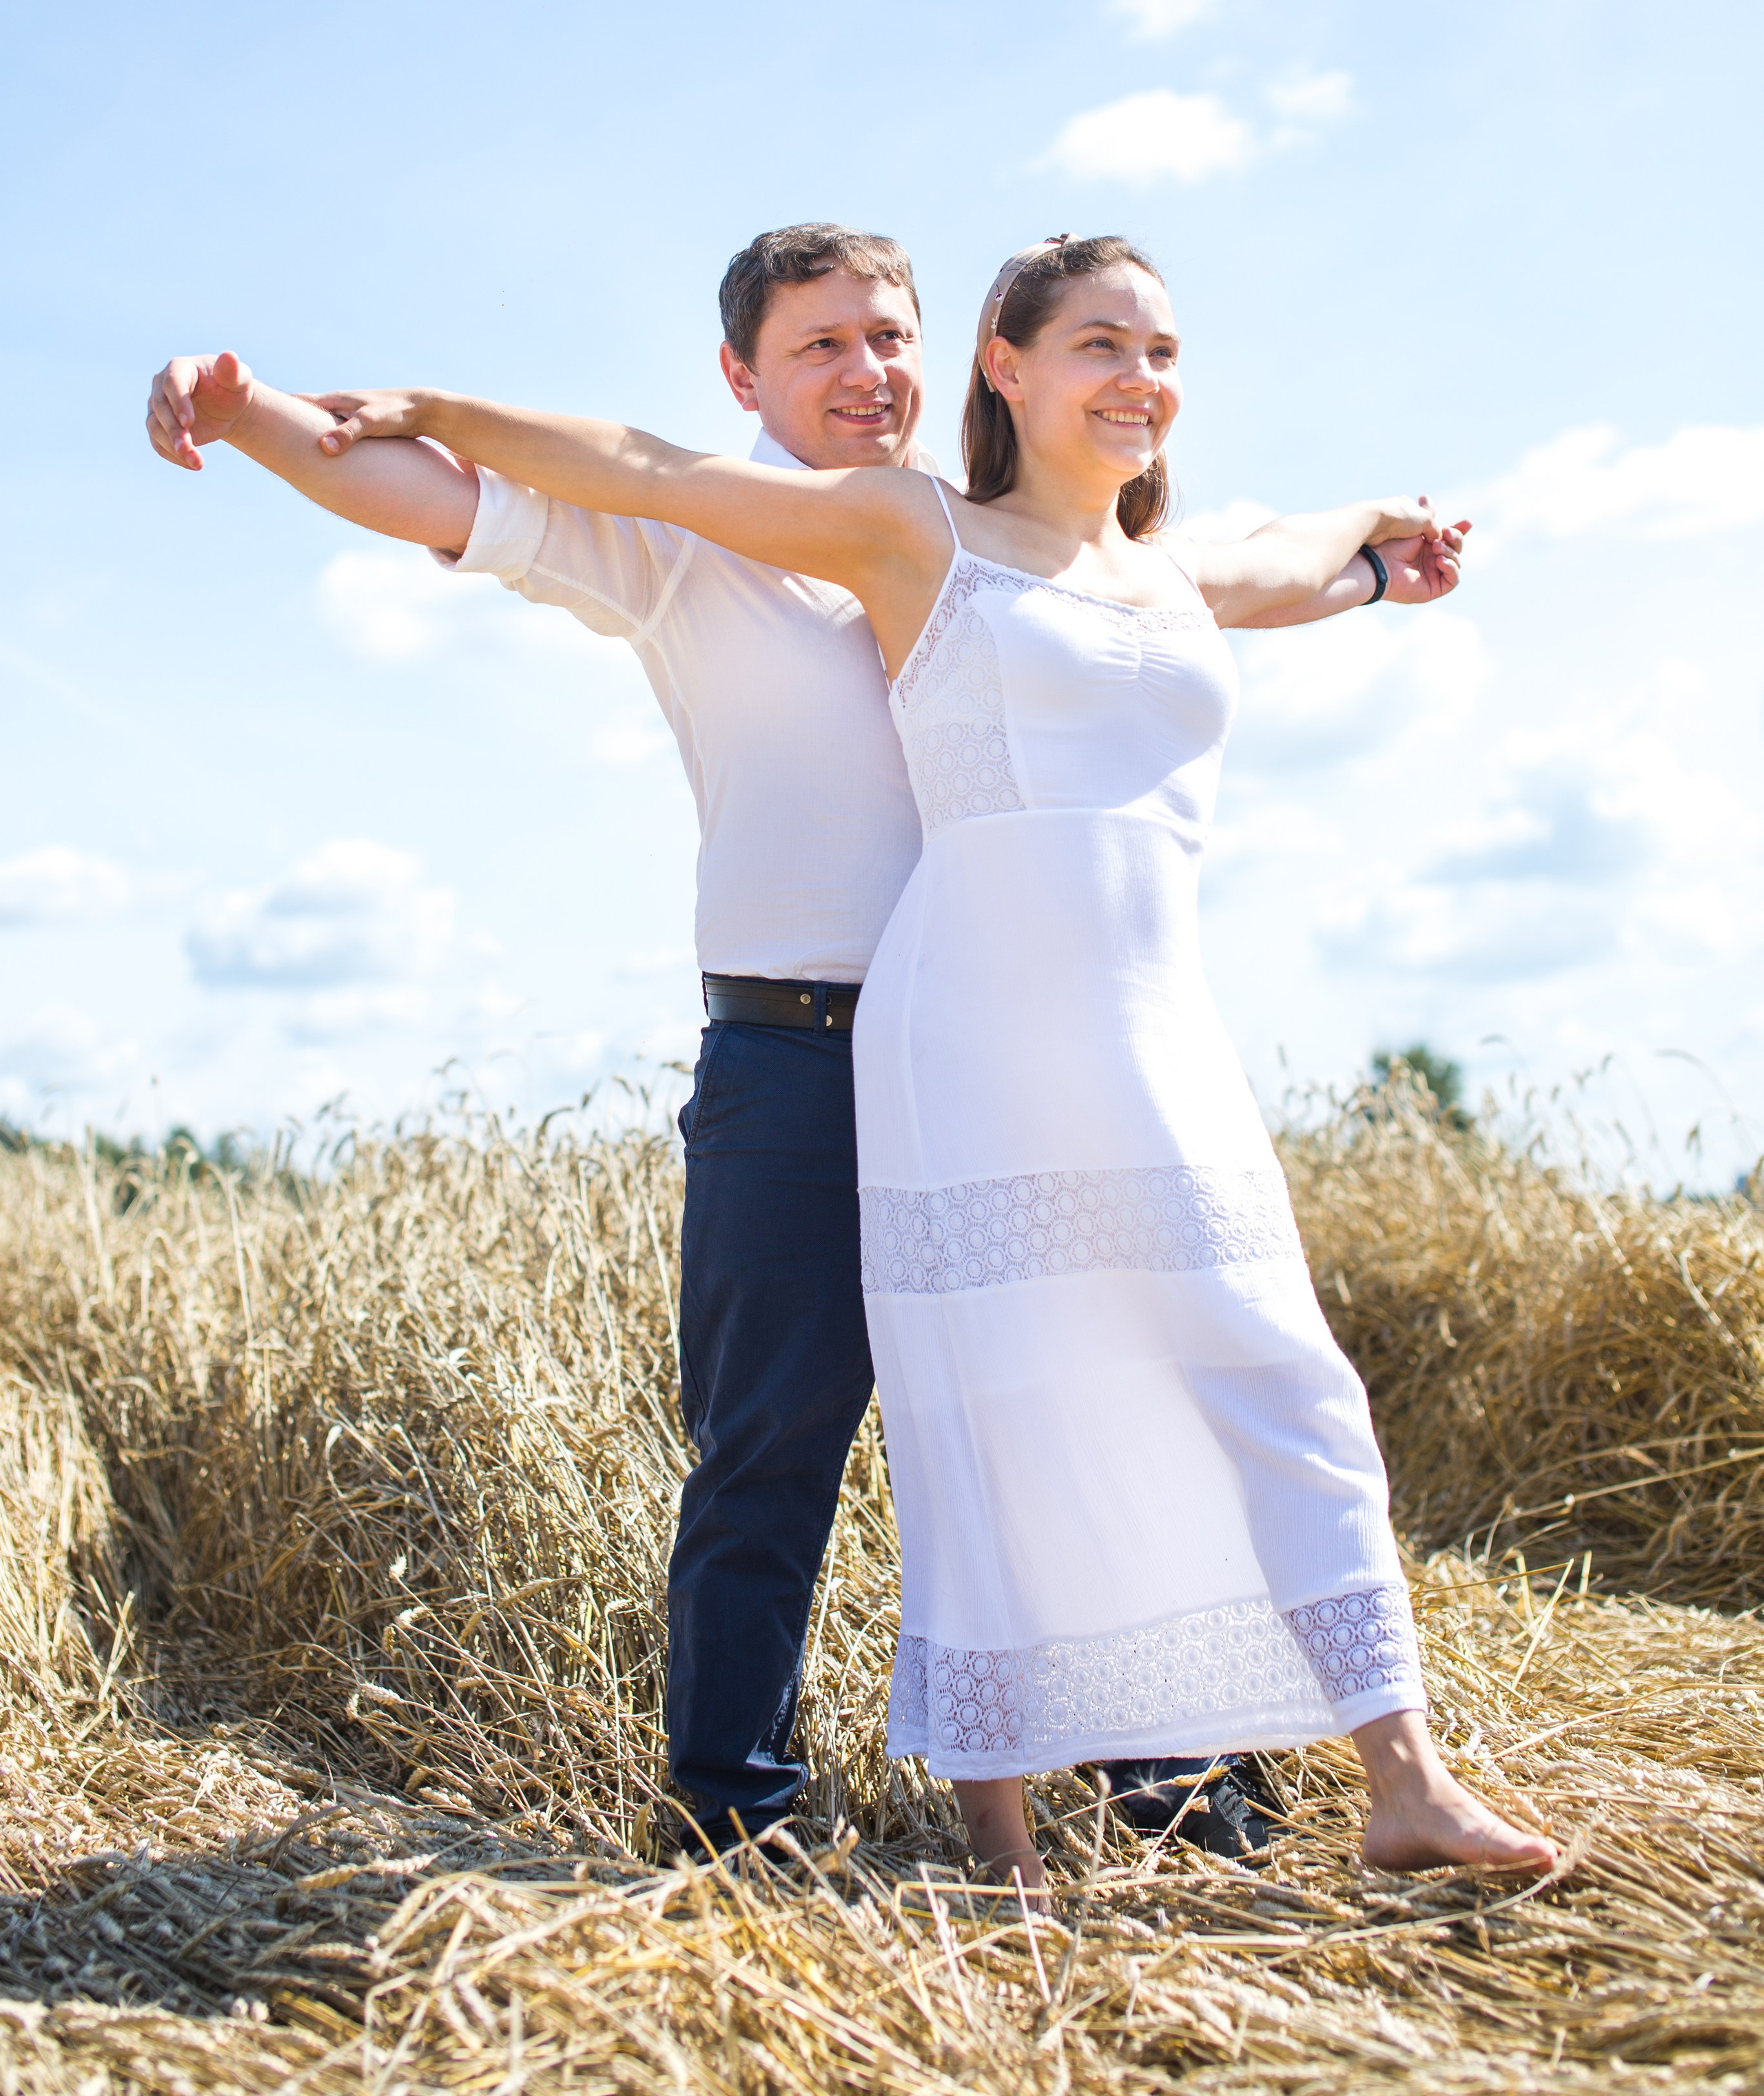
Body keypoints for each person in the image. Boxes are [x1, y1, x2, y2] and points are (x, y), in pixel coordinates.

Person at [256, 232, 1558, 1899]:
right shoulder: (698, 543)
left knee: (1096, 1388)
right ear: (747, 375)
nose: (864, 368)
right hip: (802, 1054)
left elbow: (1234, 556)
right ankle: (733, 1817)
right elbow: (489, 488)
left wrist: (1377, 549)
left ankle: (1172, 1780)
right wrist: (261, 416)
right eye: (819, 346)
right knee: (772, 1445)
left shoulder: (1011, 546)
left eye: (886, 336)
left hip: (1042, 1040)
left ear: (941, 355)